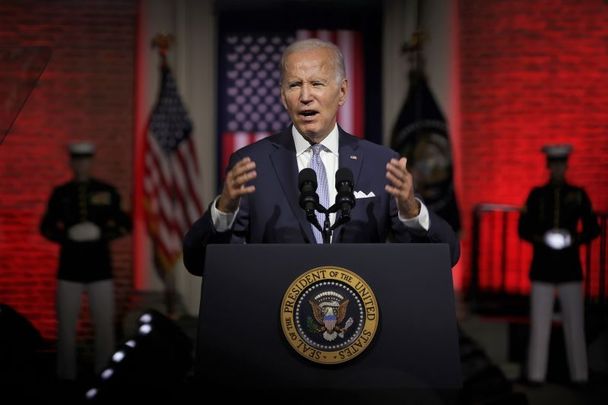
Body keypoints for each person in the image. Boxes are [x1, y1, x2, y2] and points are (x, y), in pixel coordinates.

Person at [183, 38, 459, 276]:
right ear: (282, 97)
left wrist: (412, 213)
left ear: (341, 92)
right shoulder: (252, 164)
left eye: (316, 83)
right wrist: (223, 212)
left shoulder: (380, 164)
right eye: (294, 85)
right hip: (276, 321)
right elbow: (198, 262)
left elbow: (446, 256)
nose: (305, 96)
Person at [40, 142, 132, 381]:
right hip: (69, 268)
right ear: (72, 163)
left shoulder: (107, 191)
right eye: (77, 161)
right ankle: (65, 375)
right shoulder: (61, 193)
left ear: (91, 162)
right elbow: (46, 227)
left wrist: (101, 234)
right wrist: (65, 236)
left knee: (104, 325)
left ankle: (105, 372)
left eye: (85, 160)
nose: (81, 165)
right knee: (66, 326)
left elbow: (125, 224)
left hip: (99, 267)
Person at [518, 144, 600, 387]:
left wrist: (572, 239)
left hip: (569, 267)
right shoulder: (536, 195)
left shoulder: (578, 194)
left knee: (575, 324)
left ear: (566, 165)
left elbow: (593, 228)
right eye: (553, 164)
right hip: (543, 266)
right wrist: (542, 238)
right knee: (540, 323)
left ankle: (579, 376)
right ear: (549, 166)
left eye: (561, 164)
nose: (557, 168)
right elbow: (523, 228)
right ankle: (535, 375)